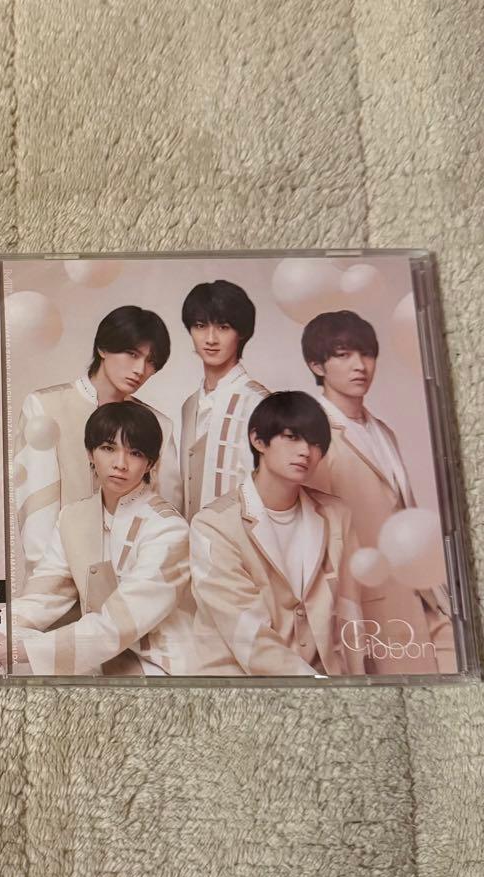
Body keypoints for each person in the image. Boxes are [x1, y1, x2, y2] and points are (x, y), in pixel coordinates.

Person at [302, 310, 455, 673]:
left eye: (367, 354)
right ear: (317, 365)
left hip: (426, 597)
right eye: (343, 355)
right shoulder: (312, 439)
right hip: (370, 613)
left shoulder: (384, 432)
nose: (360, 366)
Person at [11, 402, 195, 677]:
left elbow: (119, 624)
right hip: (102, 663)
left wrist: (19, 649)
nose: (120, 464)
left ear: (150, 464)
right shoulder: (73, 517)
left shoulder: (169, 528)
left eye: (135, 453)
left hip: (163, 669)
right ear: (90, 453)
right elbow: (44, 595)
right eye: (108, 448)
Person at [189, 391, 366, 677]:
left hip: (329, 684)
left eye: (316, 443)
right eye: (292, 437)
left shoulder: (337, 515)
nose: (306, 451)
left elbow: (350, 613)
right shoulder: (213, 525)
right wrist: (318, 687)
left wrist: (358, 689)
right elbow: (248, 635)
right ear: (258, 440)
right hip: (240, 685)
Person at [13, 306, 182, 585]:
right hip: (62, 582)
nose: (140, 370)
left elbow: (168, 510)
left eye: (151, 362)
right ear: (103, 348)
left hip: (133, 584)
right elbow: (37, 511)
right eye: (132, 354)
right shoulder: (46, 407)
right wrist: (48, 583)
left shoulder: (160, 425)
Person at [178, 280, 269, 520]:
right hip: (193, 536)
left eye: (223, 327)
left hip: (239, 536)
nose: (210, 339)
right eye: (200, 326)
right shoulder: (190, 405)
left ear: (242, 333)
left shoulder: (259, 402)